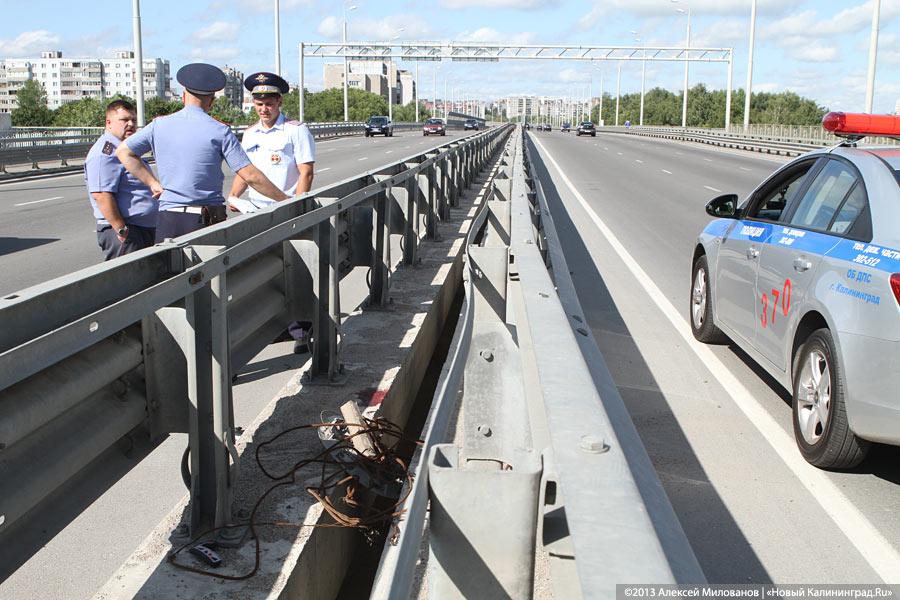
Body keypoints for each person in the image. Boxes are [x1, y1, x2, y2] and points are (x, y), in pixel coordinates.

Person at [115, 63, 289, 242]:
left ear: (183, 96)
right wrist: (285, 200)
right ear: (212, 100)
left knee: (171, 271)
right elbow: (250, 176)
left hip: (168, 219)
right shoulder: (219, 130)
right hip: (205, 220)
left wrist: (152, 183)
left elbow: (123, 151)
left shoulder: (158, 125)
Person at [228, 71, 316, 353]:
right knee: (261, 271)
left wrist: (298, 207)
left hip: (286, 210)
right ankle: (273, 324)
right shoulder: (250, 133)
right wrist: (234, 195)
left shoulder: (295, 130)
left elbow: (306, 171)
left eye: (268, 103)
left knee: (293, 269)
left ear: (279, 102)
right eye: (258, 103)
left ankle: (301, 331)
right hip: (255, 211)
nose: (263, 109)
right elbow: (245, 171)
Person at [84, 99, 158, 260]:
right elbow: (101, 195)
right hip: (127, 232)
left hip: (142, 229)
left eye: (134, 120)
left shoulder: (125, 149)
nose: (131, 124)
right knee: (131, 281)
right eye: (124, 120)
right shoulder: (105, 153)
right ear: (108, 123)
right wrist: (121, 230)